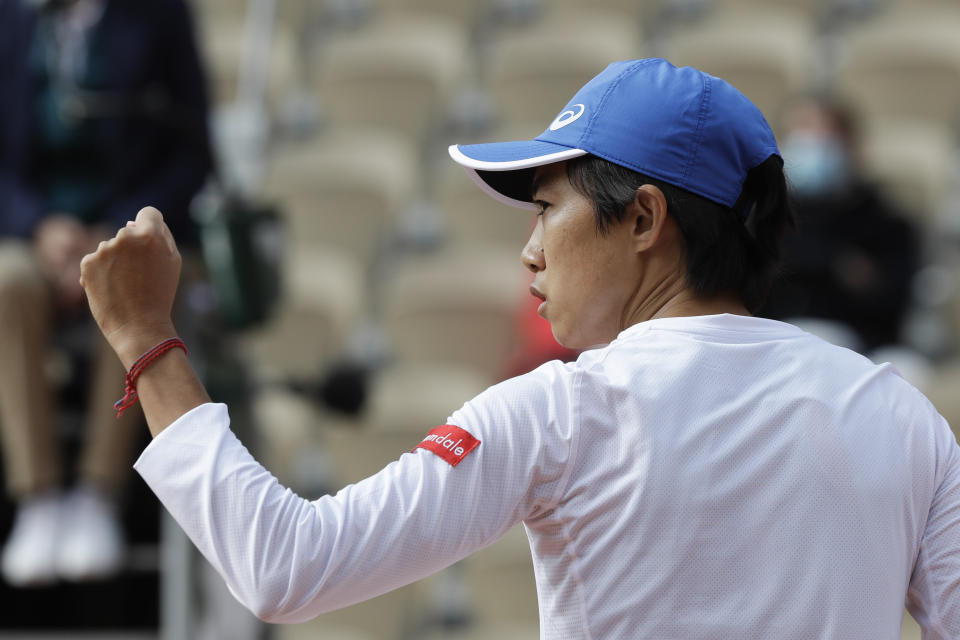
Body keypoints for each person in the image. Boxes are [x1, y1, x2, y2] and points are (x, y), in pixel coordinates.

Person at [80, 59, 960, 638]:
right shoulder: (899, 413)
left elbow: (284, 565)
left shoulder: (566, 409)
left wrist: (147, 341)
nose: (530, 249)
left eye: (547, 207)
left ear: (646, 218)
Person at [0, 0, 212, 586]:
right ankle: (36, 494)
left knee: (131, 291)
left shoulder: (159, 16)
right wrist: (40, 227)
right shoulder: (12, 21)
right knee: (5, 284)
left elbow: (193, 149)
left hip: (127, 227)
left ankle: (99, 491)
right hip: (35, 234)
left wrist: (114, 232)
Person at [761, 95, 921, 354]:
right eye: (801, 132)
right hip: (772, 341)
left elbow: (888, 302)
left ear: (851, 145)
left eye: (824, 134)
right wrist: (838, 265)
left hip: (863, 348)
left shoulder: (886, 221)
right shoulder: (760, 216)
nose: (812, 142)